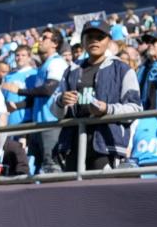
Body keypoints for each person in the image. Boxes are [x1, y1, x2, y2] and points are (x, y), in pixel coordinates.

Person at [50, 19, 141, 169]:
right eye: (90, 37)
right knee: (74, 191)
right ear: (83, 41)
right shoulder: (71, 70)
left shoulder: (122, 69)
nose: (94, 41)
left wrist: (107, 109)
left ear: (109, 41)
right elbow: (55, 111)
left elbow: (135, 109)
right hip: (73, 144)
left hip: (106, 144)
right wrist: (61, 101)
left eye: (100, 37)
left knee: (102, 190)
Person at [2, 26, 66, 173]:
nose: (40, 40)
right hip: (39, 123)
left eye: (44, 38)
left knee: (51, 166)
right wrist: (17, 106)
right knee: (38, 167)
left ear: (54, 43)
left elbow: (47, 90)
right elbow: (36, 97)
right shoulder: (44, 66)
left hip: (52, 122)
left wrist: (19, 90)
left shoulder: (56, 62)